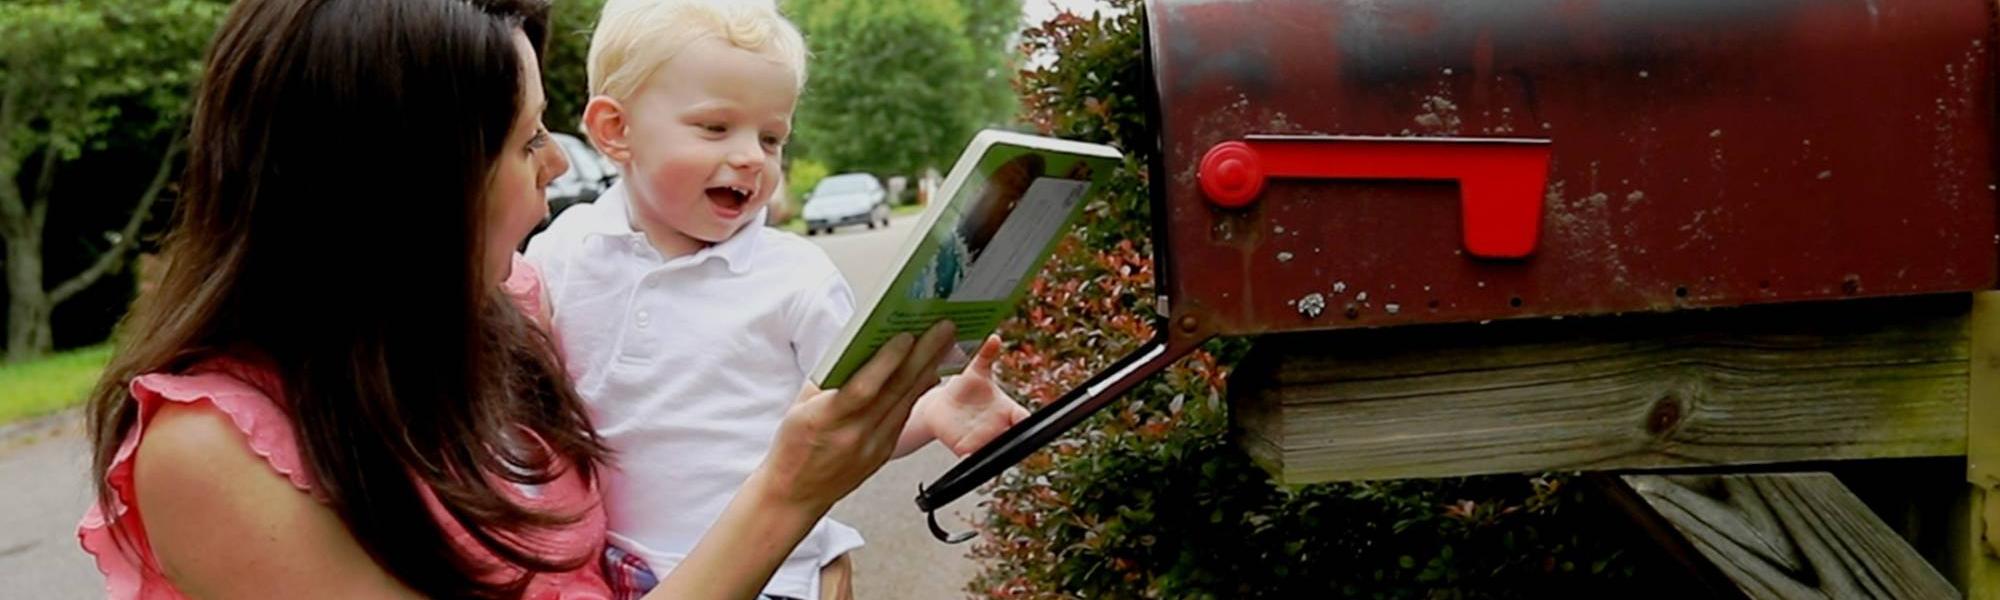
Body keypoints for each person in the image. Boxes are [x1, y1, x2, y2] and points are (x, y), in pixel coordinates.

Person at [78, 0, 956, 597]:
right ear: (403, 179)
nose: (560, 163)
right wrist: (785, 502)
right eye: (527, 137)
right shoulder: (210, 453)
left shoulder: (510, 311)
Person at [524, 1, 1029, 598]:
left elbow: (847, 421)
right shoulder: (562, 252)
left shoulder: (796, 278)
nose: (750, 157)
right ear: (616, 130)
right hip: (607, 569)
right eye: (715, 127)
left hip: (772, 574)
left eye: (771, 137)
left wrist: (936, 412)